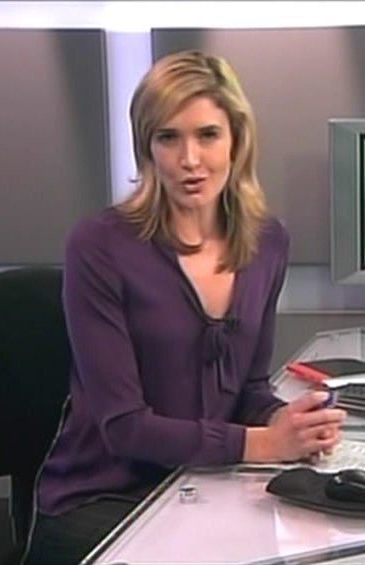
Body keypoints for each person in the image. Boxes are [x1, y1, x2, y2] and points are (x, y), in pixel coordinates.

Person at [22, 49, 345, 565]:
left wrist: (287, 422)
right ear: (147, 147)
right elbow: (124, 426)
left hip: (207, 487)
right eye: (168, 138)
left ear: (237, 139)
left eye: (207, 135)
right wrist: (263, 445)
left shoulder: (267, 242)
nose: (190, 159)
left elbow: (248, 388)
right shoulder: (100, 245)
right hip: (103, 501)